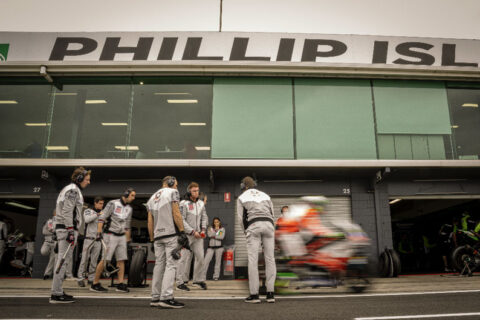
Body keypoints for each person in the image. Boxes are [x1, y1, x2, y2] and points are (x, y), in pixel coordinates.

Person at [50, 167, 91, 304]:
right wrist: (70, 231)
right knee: (62, 261)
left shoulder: (70, 189)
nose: (88, 182)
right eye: (87, 179)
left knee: (62, 261)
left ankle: (58, 291)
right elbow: (68, 211)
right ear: (79, 179)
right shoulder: (73, 190)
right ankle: (56, 294)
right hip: (67, 229)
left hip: (64, 229)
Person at [147, 176, 188, 309]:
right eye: (176, 184)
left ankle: (155, 297)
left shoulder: (152, 198)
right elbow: (176, 213)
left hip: (157, 236)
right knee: (171, 265)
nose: (176, 187)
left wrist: (152, 239)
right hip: (170, 234)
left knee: (159, 265)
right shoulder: (172, 193)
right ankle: (166, 297)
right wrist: (182, 231)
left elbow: (150, 222)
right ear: (170, 183)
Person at [236, 176, 276, 304]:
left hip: (254, 226)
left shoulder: (242, 197)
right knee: (270, 259)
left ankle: (254, 295)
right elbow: (272, 213)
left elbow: (240, 218)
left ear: (244, 186)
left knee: (253, 260)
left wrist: (245, 232)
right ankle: (270, 294)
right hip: (269, 226)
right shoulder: (266, 195)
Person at [90, 189, 135, 293]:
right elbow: (102, 217)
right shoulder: (113, 203)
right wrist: (98, 233)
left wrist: (127, 240)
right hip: (110, 235)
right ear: (126, 195)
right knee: (105, 259)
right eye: (132, 195)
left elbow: (127, 226)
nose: (134, 198)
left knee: (121, 259)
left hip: (121, 236)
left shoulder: (129, 208)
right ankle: (95, 283)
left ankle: (120, 284)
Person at [175, 182, 208, 291]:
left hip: (198, 236)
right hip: (187, 236)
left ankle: (197, 281)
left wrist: (203, 229)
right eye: (194, 191)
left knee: (200, 258)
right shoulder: (183, 203)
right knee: (183, 258)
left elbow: (204, 218)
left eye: (198, 190)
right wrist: (193, 232)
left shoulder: (201, 204)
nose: (196, 192)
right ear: (189, 191)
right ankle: (180, 282)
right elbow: (181, 220)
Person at [77, 197, 104, 287]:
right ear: (95, 203)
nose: (101, 205)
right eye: (100, 203)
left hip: (98, 240)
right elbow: (87, 220)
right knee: (84, 259)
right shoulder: (89, 211)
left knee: (94, 260)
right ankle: (80, 278)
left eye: (102, 204)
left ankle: (91, 278)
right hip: (88, 239)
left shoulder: (103, 213)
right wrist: (98, 214)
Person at [41, 213, 56, 280]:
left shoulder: (61, 221)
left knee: (52, 259)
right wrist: (54, 232)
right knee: (43, 252)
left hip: (55, 242)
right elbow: (44, 232)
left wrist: (53, 232)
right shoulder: (49, 221)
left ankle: (47, 274)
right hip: (47, 242)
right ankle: (49, 251)